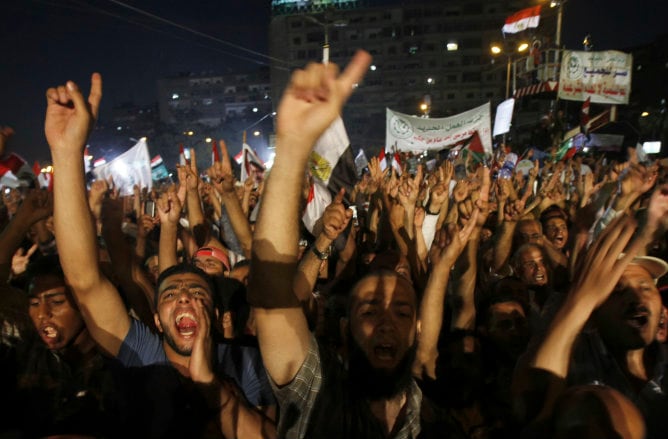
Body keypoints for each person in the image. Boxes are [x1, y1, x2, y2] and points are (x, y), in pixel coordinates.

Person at [44, 72, 275, 438]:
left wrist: (211, 386)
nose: (183, 296)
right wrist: (66, 151)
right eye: (170, 294)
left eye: (197, 293)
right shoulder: (141, 354)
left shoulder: (245, 362)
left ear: (217, 315)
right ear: (155, 317)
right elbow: (84, 280)